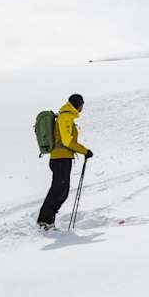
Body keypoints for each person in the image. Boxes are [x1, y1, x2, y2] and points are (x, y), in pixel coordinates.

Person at [37, 94, 93, 230]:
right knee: (59, 190)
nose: (82, 108)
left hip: (62, 158)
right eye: (81, 105)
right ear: (77, 104)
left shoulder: (68, 116)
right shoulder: (65, 117)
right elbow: (67, 141)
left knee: (61, 191)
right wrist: (84, 151)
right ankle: (44, 221)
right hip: (60, 159)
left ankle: (47, 220)